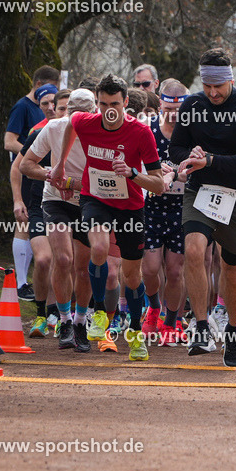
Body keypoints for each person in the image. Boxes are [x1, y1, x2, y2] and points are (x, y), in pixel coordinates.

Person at [49, 74, 165, 361]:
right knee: (99, 248)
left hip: (130, 206)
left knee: (132, 276)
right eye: (103, 104)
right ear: (96, 104)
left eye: (114, 104)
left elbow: (159, 185)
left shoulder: (141, 133)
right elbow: (71, 125)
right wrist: (61, 164)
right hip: (96, 198)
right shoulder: (85, 121)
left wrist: (132, 173)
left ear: (125, 102)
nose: (108, 110)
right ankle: (99, 312)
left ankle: (135, 331)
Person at [168, 48, 236, 367]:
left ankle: (233, 332)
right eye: (207, 86)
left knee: (232, 268)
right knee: (194, 250)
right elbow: (175, 148)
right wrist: (190, 157)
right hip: (201, 191)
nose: (213, 93)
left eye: (219, 86)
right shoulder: (192, 106)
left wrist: (211, 160)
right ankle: (200, 327)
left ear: (231, 81)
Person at [21, 89, 96, 352]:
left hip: (88, 201)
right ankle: (64, 321)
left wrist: (72, 183)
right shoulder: (54, 128)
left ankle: (80, 321)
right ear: (68, 113)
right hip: (55, 200)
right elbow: (25, 165)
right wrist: (50, 174)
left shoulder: (103, 131)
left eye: (85, 116)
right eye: (74, 115)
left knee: (83, 267)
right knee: (63, 259)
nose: (78, 121)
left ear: (95, 113)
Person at [140, 79, 191, 345]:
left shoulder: (193, 132)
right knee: (150, 268)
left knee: (175, 271)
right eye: (168, 109)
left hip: (182, 208)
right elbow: (135, 161)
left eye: (178, 110)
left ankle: (172, 321)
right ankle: (153, 308)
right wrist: (155, 172)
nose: (173, 115)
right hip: (151, 207)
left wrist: (183, 175)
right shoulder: (147, 129)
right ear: (160, 103)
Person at [5, 66, 60, 301]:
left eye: (54, 103)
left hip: (59, 188)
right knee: (25, 223)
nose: (50, 107)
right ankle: (22, 283)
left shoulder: (63, 125)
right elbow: (9, 143)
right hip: (33, 179)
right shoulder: (26, 113)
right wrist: (33, 155)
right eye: (45, 103)